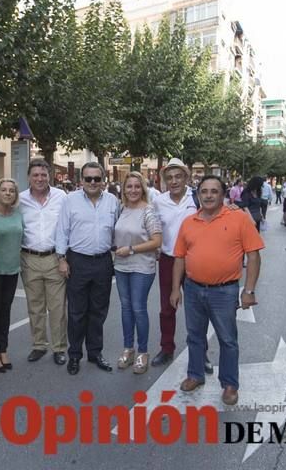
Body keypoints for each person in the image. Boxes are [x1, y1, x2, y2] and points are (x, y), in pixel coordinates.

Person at [171, 175, 264, 406]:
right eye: (204, 191)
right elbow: (179, 259)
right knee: (194, 336)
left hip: (225, 291)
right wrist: (175, 289)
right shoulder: (188, 222)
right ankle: (195, 375)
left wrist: (249, 291)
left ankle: (230, 384)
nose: (209, 195)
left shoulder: (239, 219)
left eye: (214, 191)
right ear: (199, 195)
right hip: (192, 289)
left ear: (223, 194)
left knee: (228, 340)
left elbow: (253, 255)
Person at [56, 161, 119, 375]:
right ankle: (75, 355)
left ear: (103, 180)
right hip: (78, 261)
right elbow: (62, 231)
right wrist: (62, 259)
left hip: (103, 261)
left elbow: (117, 230)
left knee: (98, 311)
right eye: (88, 178)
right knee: (76, 312)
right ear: (81, 180)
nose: (93, 182)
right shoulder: (70, 201)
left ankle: (95, 353)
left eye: (97, 178)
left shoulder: (112, 201)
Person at [18, 159, 68, 365]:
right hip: (29, 258)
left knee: (57, 308)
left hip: (54, 258)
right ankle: (39, 345)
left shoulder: (61, 197)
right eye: (35, 175)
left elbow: (67, 227)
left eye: (43, 174)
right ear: (29, 177)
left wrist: (64, 257)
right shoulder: (19, 200)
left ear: (50, 176)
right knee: (35, 306)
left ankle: (59, 348)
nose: (40, 178)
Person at [151, 158, 199, 368]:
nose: (174, 181)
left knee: (197, 310)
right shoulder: (158, 202)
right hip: (168, 261)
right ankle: (167, 348)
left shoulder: (197, 198)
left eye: (178, 176)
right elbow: (152, 228)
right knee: (167, 308)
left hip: (195, 260)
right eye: (169, 177)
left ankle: (200, 353)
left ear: (186, 177)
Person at [113, 172, 161, 374]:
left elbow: (157, 241)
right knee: (125, 308)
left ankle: (143, 352)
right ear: (124, 189)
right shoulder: (121, 209)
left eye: (136, 186)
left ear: (143, 189)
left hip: (142, 266)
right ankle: (128, 349)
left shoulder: (148, 211)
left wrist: (131, 249)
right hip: (121, 266)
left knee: (138, 308)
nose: (133, 190)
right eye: (129, 186)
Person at [0, 178, 24, 372]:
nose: (8, 193)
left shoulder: (18, 214)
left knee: (6, 311)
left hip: (12, 271)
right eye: (4, 190)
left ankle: (3, 349)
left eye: (12, 190)